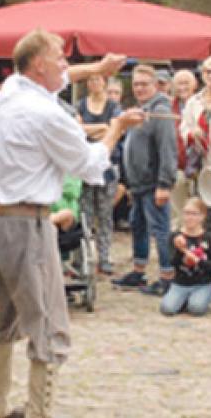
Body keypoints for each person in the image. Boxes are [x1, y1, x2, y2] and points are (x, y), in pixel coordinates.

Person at [0, 28, 140, 418]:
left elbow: (63, 78)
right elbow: (90, 164)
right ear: (38, 65)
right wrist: (116, 128)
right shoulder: (47, 113)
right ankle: (37, 412)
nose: (66, 65)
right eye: (59, 57)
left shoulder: (10, 89)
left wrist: (99, 67)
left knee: (5, 320)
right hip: (27, 225)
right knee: (49, 325)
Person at [112, 65, 178, 296]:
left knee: (160, 229)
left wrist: (164, 183)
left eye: (144, 84)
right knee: (137, 226)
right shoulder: (141, 110)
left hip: (153, 183)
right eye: (136, 84)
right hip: (138, 184)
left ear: (155, 85)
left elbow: (168, 149)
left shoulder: (160, 113)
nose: (139, 88)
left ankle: (167, 276)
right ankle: (139, 271)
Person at [77, 73, 121, 274]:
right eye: (91, 79)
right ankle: (84, 257)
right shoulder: (80, 105)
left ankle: (104, 257)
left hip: (107, 166)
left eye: (98, 79)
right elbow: (76, 131)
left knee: (105, 214)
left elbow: (115, 130)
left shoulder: (113, 106)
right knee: (84, 213)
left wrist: (90, 130)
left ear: (105, 82)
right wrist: (102, 128)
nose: (94, 82)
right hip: (84, 165)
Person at [160, 197, 211, 317]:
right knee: (167, 309)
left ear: (202, 216)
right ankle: (183, 299)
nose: (189, 217)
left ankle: (198, 298)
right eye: (186, 213)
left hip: (203, 283)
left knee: (196, 309)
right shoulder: (175, 236)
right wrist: (180, 252)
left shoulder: (208, 238)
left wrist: (199, 261)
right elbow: (172, 262)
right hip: (181, 283)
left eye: (194, 214)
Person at [169, 69, 198, 235]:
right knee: (178, 209)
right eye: (179, 83)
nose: (183, 87)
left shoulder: (201, 104)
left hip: (199, 162)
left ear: (194, 85)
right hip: (178, 163)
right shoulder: (169, 107)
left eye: (187, 82)